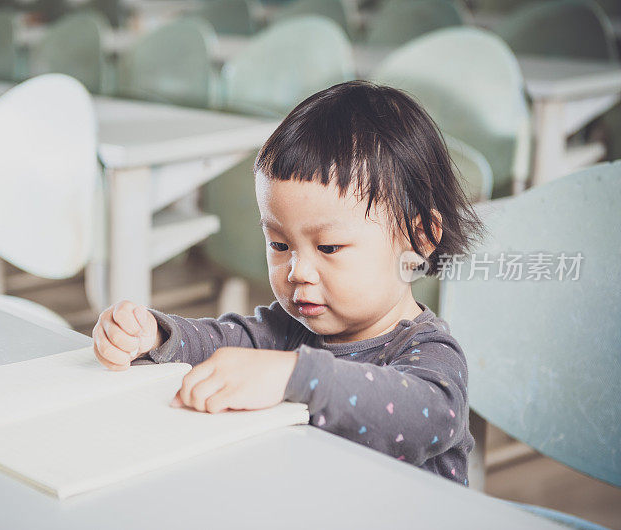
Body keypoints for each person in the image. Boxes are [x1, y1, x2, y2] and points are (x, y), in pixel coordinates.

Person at [92, 81, 484, 485]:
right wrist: (155, 335)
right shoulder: (288, 329)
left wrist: (296, 376)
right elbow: (223, 341)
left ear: (418, 240)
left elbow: (426, 416)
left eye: (329, 247)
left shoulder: (427, 352)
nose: (298, 270)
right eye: (279, 244)